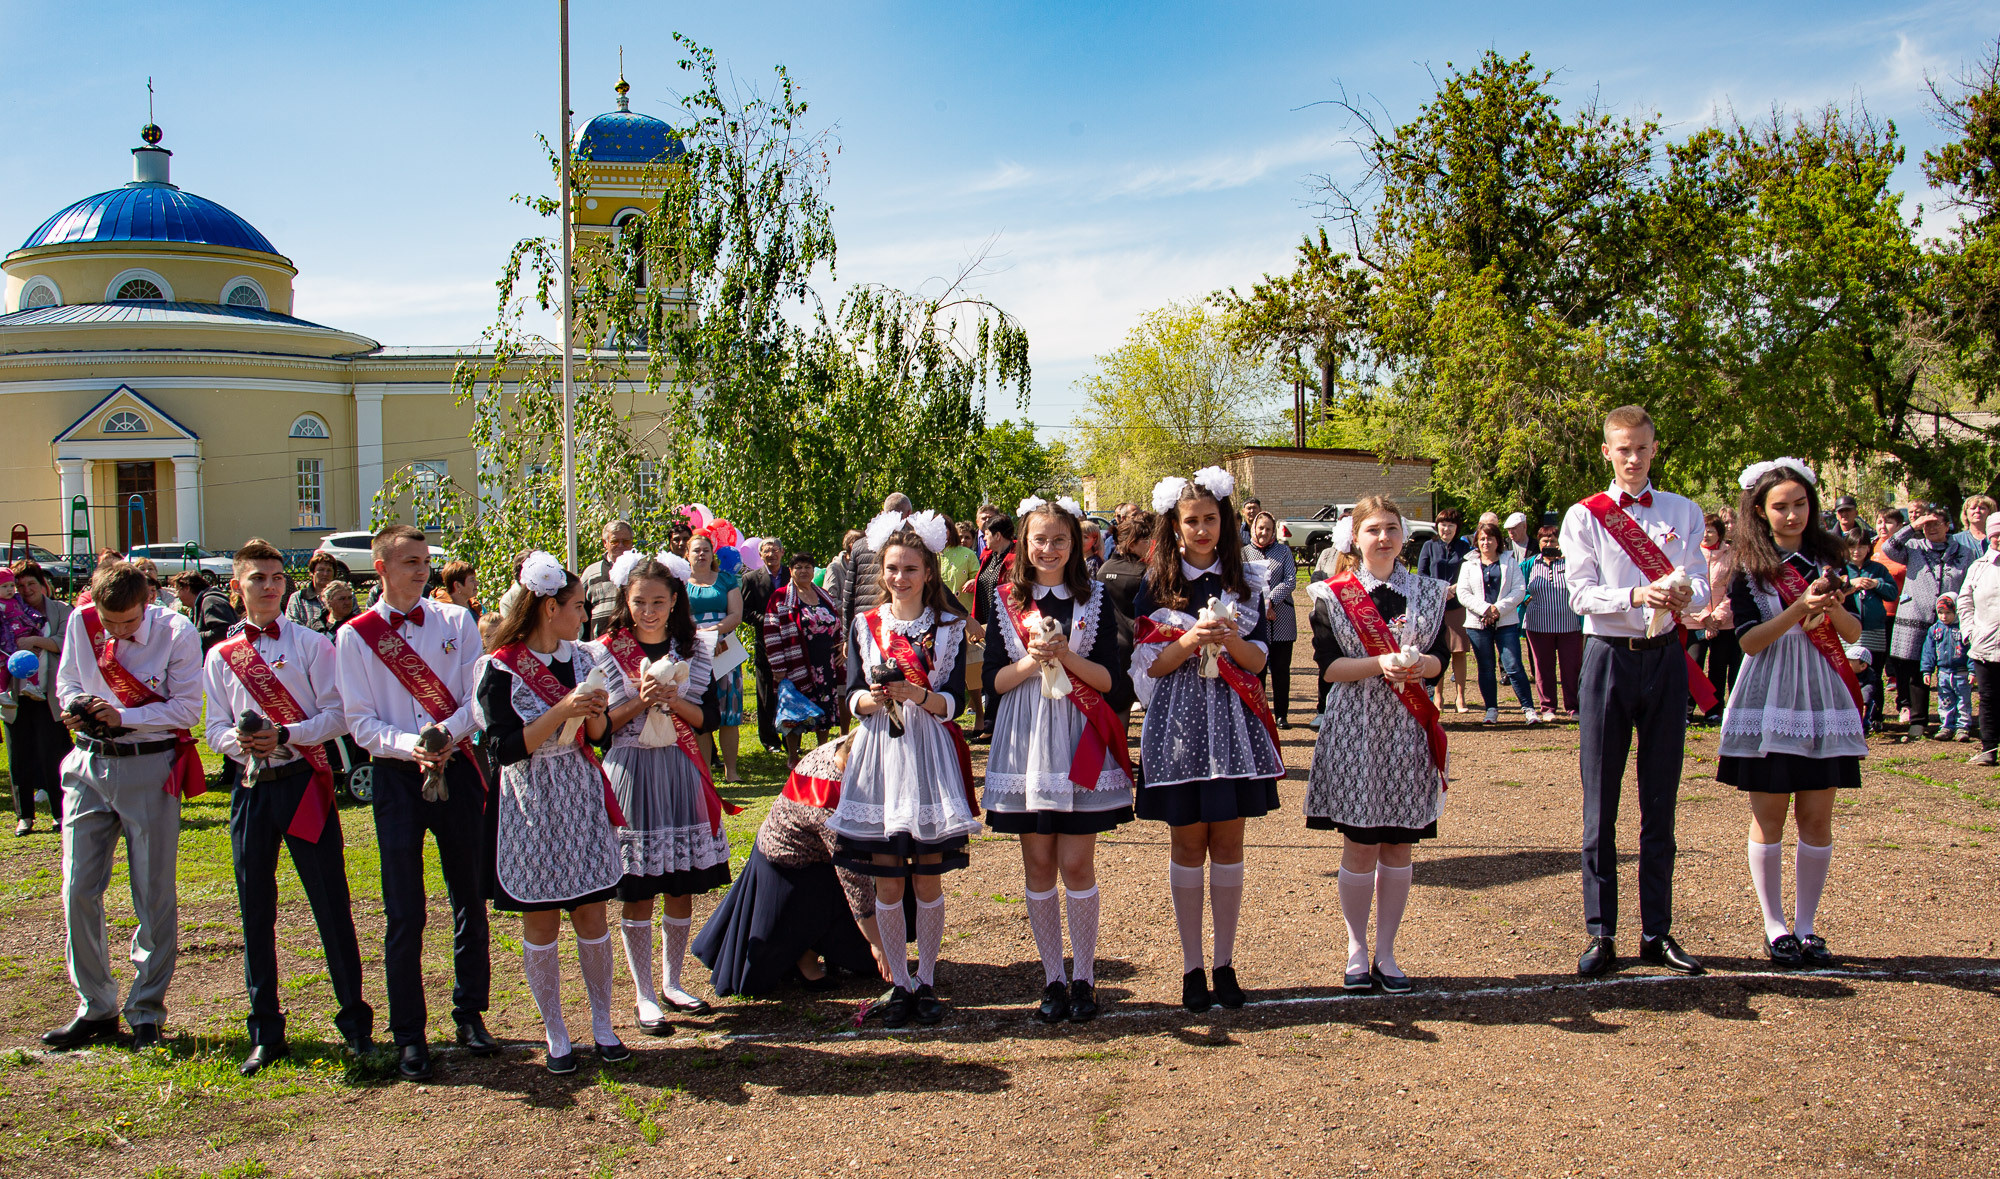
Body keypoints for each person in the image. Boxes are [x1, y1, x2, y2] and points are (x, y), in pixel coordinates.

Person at [204, 539, 372, 1074]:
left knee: (330, 903)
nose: (270, 586)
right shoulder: (220, 656)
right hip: (251, 789)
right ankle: (265, 1031)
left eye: (277, 577)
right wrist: (241, 743)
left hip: (303, 782)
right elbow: (211, 729)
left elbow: (338, 716)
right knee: (255, 909)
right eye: (257, 578)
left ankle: (355, 1025)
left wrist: (285, 733)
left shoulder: (310, 645)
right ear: (237, 587)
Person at [335, 524, 493, 1081]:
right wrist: (412, 746)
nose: (421, 569)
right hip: (397, 779)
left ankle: (470, 1012)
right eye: (408, 561)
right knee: (405, 910)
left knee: (469, 897)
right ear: (380, 567)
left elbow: (478, 697)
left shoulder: (456, 620)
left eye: (425, 560)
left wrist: (443, 739)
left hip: (458, 766)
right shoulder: (355, 636)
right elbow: (359, 722)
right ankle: (409, 1034)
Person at [1558, 405, 1709, 979]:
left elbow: (1695, 583)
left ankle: (1657, 930)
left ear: (1653, 447)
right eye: (1622, 448)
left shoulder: (1682, 511)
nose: (1632, 458)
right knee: (1600, 798)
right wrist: (1635, 597)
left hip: (1666, 659)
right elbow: (1580, 594)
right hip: (1608, 658)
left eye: (1641, 448)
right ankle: (1601, 932)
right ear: (1607, 451)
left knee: (1660, 799)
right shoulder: (1584, 516)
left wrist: (1683, 597)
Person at [1131, 468, 1282, 1013]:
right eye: (1190, 521)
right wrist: (1191, 639)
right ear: (1174, 527)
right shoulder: (1154, 586)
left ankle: (1225, 962)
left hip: (1234, 726)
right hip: (1178, 728)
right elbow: (1148, 671)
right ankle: (1192, 966)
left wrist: (1231, 638)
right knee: (1188, 845)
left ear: (1224, 522)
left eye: (1209, 519)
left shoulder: (1248, 582)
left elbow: (1259, 662)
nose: (1200, 529)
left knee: (1229, 845)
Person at [41, 562, 205, 1050]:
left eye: (127, 623)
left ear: (147, 601)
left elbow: (184, 707)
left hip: (148, 765)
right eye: (107, 622)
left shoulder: (176, 630)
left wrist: (125, 716)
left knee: (152, 891)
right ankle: (95, 1006)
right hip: (87, 763)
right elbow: (67, 679)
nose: (114, 632)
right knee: (77, 888)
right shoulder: (82, 620)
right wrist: (78, 706)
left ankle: (146, 1008)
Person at [474, 553, 628, 1073]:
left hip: (579, 791)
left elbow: (600, 737)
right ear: (547, 607)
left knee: (591, 913)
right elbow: (505, 749)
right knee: (540, 919)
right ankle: (555, 1032)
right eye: (577, 606)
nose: (584, 616)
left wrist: (596, 715)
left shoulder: (585, 659)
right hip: (531, 799)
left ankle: (603, 1024)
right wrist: (562, 709)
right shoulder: (499, 668)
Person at [825, 510, 978, 1029]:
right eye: (892, 568)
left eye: (910, 568)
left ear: (929, 572)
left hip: (929, 753)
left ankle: (928, 979)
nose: (899, 577)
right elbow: (847, 694)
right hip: (880, 756)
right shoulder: (865, 625)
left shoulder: (950, 626)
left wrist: (921, 695)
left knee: (928, 880)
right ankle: (900, 985)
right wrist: (867, 700)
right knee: (887, 882)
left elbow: (957, 701)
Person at [985, 497, 1134, 1023]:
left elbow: (1113, 682)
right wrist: (1031, 660)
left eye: (1060, 540)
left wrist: (1067, 657)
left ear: (1077, 544)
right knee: (1040, 865)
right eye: (1039, 540)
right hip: (1025, 740)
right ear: (1024, 544)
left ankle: (1086, 978)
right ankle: (1051, 977)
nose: (1049, 549)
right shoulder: (1002, 599)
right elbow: (994, 686)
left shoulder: (1095, 598)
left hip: (1078, 736)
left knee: (1076, 863)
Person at [1717, 458, 1865, 968]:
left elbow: (1851, 634)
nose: (1793, 514)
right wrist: (1799, 609)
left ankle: (1807, 926)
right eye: (1781, 506)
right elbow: (1751, 643)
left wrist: (1832, 606)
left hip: (1822, 698)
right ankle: (1774, 925)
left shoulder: (1828, 558)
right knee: (1770, 816)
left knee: (1817, 817)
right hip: (1769, 695)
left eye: (1800, 504)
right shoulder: (1747, 567)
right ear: (1760, 510)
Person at [1305, 499, 1451, 994]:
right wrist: (1380, 664)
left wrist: (1420, 666)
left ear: (1402, 536)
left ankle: (1387, 951)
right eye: (1373, 530)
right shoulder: (1331, 593)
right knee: (1360, 844)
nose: (1383, 538)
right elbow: (1328, 668)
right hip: (1356, 728)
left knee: (1399, 844)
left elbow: (1441, 659)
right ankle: (1356, 948)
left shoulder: (1430, 592)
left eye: (1391, 529)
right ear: (1355, 537)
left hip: (1409, 729)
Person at [589, 551, 734, 1030]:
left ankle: (672, 981)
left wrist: (675, 704)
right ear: (625, 603)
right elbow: (598, 730)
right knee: (639, 887)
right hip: (630, 771)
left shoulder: (696, 649)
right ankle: (643, 992)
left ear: (675, 601)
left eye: (657, 601)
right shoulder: (604, 651)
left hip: (681, 767)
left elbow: (709, 718)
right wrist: (639, 702)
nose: (648, 610)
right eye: (638, 602)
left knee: (679, 882)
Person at [693, 735, 888, 995]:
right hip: (789, 866)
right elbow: (854, 879)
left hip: (815, 856)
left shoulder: (843, 746)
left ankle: (835, 950)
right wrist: (878, 944)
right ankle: (804, 956)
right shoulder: (831, 799)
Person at [1881, 502, 1976, 742]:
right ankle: (1918, 721)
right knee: (1915, 670)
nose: (1931, 528)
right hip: (1915, 616)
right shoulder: (1912, 546)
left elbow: (1968, 582)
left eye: (1936, 523)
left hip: (1949, 620)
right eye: (1926, 524)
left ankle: (1956, 720)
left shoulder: (1964, 551)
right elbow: (1888, 548)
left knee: (1953, 670)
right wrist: (1912, 526)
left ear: (1948, 526)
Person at [4, 562, 71, 836]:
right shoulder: (8, 613)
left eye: (31, 583)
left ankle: (60, 813)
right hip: (16, 697)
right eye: (19, 586)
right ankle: (25, 817)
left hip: (49, 697)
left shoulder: (61, 610)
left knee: (54, 755)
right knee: (19, 757)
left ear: (42, 584)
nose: (25, 589)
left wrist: (33, 642)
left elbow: (64, 641)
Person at [763, 550, 844, 766]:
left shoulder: (823, 595)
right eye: (798, 567)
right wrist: (777, 666)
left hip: (825, 664)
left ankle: (822, 752)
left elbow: (838, 623)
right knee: (793, 710)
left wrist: (841, 648)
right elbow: (771, 633)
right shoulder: (781, 597)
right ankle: (793, 756)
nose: (803, 571)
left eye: (807, 566)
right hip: (795, 664)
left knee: (825, 708)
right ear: (790, 571)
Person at [1456, 520, 1535, 725]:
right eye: (1482, 539)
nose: (1485, 542)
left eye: (1490, 538)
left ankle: (1529, 709)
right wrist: (1485, 609)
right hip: (1477, 623)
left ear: (1498, 541)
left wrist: (1497, 609)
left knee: (1513, 665)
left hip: (1505, 621)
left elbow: (1519, 590)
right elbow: (1462, 593)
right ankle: (1491, 709)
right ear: (1476, 542)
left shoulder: (1510, 561)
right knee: (1486, 667)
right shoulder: (1468, 565)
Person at [684, 533, 745, 783]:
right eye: (696, 550)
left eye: (706, 550)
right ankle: (705, 772)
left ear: (712, 555)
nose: (701, 554)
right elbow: (677, 617)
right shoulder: (679, 584)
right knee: (700, 710)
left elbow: (735, 615)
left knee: (729, 711)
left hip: (725, 647)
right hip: (693, 650)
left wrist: (715, 634)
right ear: (687, 555)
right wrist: (700, 638)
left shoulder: (727, 580)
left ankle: (731, 770)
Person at [1521, 523, 1582, 722]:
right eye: (1545, 541)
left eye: (1552, 541)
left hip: (1569, 625)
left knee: (1571, 668)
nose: (1548, 544)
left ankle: (1573, 707)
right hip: (1538, 625)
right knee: (1543, 667)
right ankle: (1548, 708)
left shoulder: (1571, 563)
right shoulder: (1530, 564)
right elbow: (1517, 587)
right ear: (1538, 543)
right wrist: (1525, 598)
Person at [1244, 511, 1298, 729]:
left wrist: (1270, 602)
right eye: (1260, 528)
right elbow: (1242, 582)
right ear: (1253, 529)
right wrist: (1261, 605)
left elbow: (1291, 580)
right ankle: (1260, 712)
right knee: (1258, 669)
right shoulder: (1244, 554)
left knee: (1281, 669)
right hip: (1256, 620)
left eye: (1267, 528)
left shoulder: (1283, 552)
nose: (1263, 532)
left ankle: (1282, 714)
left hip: (1282, 617)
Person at [1685, 514, 1740, 725]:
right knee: (1693, 665)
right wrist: (1704, 617)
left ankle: (1714, 711)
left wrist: (1716, 618)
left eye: (1711, 530)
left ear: (1719, 534)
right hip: (1695, 621)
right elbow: (1686, 588)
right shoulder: (1690, 555)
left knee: (1719, 667)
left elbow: (1733, 591)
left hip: (1724, 623)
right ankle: (1687, 710)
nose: (1706, 535)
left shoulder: (1732, 556)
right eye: (1703, 530)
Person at [1416, 508, 1473, 713]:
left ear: (1457, 528)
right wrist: (1439, 591)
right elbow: (1421, 574)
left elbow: (1470, 573)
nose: (1446, 529)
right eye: (1442, 524)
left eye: (1450, 525)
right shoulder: (1429, 546)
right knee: (1438, 650)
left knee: (1459, 651)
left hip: (1458, 605)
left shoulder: (1464, 548)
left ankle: (1461, 697)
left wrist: (1455, 589)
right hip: (1435, 606)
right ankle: (1438, 696)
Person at [842, 492, 914, 640]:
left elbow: (848, 595)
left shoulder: (860, 545)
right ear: (909, 513)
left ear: (883, 512)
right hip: (898, 625)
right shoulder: (914, 544)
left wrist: (846, 636)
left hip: (865, 625)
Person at [970, 513, 1016, 743]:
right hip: (987, 623)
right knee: (989, 671)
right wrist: (976, 622)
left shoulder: (1014, 559)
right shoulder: (990, 557)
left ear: (998, 535)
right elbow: (981, 590)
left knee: (1002, 673)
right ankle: (991, 724)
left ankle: (996, 725)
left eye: (987, 533)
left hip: (1008, 624)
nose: (984, 537)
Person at [1843, 536, 1896, 733]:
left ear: (1869, 548)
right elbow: (1833, 591)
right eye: (1852, 547)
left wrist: (1876, 584)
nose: (1857, 551)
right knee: (1848, 672)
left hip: (1874, 630)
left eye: (1861, 546)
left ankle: (1875, 716)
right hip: (1848, 630)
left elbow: (1892, 592)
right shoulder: (1842, 569)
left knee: (1873, 673)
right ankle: (1848, 715)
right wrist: (1851, 584)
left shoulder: (1878, 568)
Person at [1959, 518, 2000, 765]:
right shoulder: (1978, 567)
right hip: (1986, 645)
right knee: (1988, 698)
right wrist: (1970, 631)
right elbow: (1964, 601)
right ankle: (1988, 749)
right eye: (1997, 535)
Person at [740, 537, 784, 755]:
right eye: (766, 551)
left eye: (775, 550)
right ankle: (769, 739)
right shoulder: (750, 579)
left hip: (790, 639)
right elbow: (743, 611)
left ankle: (790, 735)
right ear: (760, 555)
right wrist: (765, 619)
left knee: (789, 688)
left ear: (782, 552)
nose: (771, 554)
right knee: (766, 690)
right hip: (765, 641)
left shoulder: (791, 574)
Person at [940, 523, 984, 733]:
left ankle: (979, 713)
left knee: (970, 668)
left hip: (963, 614)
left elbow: (979, 576)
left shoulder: (967, 554)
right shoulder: (931, 555)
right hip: (938, 621)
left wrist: (972, 581)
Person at [1921, 593, 1975, 741]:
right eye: (1941, 613)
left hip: (1961, 672)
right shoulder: (1935, 630)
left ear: (1956, 612)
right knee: (1945, 699)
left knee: (1963, 701)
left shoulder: (1964, 629)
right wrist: (1927, 670)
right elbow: (1928, 651)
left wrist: (1972, 670)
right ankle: (1946, 726)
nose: (1944, 617)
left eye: (1948, 613)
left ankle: (1962, 727)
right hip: (1943, 672)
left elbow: (1971, 651)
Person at [579, 520, 637, 639]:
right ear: (605, 543)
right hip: (600, 647)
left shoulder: (642, 570)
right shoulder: (591, 573)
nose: (620, 546)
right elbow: (581, 612)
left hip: (637, 645)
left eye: (625, 541)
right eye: (615, 541)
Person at [1096, 511, 1154, 620]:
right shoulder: (1144, 572)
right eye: (1146, 541)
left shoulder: (1103, 569)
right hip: (1135, 634)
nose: (1150, 544)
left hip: (1110, 634)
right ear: (1131, 545)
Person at [174, 571, 239, 653]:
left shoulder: (211, 601)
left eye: (177, 590)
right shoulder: (200, 604)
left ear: (187, 588)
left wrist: (192, 636)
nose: (176, 595)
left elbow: (223, 632)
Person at [286, 552, 345, 631]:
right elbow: (292, 626)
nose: (325, 574)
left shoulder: (346, 596)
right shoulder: (298, 598)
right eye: (321, 570)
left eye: (329, 570)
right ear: (312, 572)